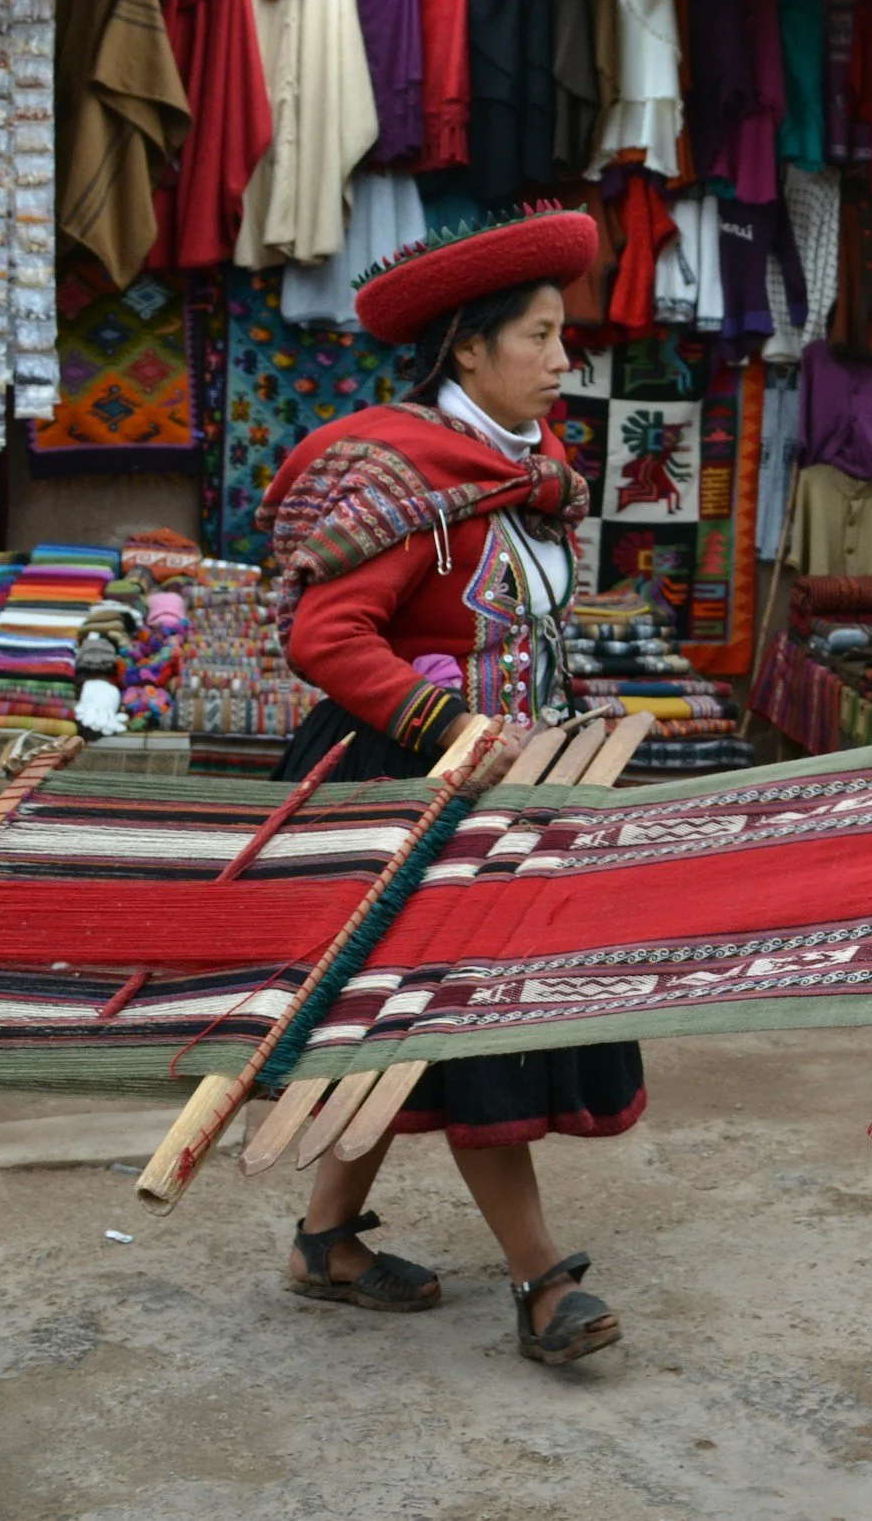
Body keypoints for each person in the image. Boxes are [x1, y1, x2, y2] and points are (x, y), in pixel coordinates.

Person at [256, 206, 634, 1367]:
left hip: (498, 784)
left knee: (396, 1031)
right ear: (466, 349)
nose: (563, 361)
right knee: (469, 1035)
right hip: (404, 784)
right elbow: (325, 632)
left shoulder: (519, 475)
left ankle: (327, 1240)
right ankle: (539, 1280)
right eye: (540, 336)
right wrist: (450, 725)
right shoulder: (396, 471)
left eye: (562, 337)